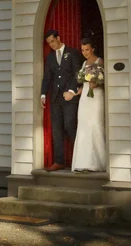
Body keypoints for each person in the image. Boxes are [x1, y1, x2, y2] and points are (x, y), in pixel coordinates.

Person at [40, 29, 83, 171]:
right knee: (57, 130)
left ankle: (80, 159)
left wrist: (71, 91)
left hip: (70, 97)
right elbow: (47, 77)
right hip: (55, 98)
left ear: (58, 38)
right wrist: (43, 94)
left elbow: (78, 74)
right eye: (49, 43)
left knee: (70, 125)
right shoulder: (50, 57)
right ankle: (59, 161)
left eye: (52, 41)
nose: (51, 45)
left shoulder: (72, 53)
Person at [71, 38, 107, 173]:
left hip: (96, 96)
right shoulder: (84, 63)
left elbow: (102, 80)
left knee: (95, 125)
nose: (85, 52)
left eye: (87, 49)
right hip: (85, 96)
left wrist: (96, 83)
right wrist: (76, 92)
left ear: (92, 49)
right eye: (82, 50)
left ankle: (98, 162)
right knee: (84, 126)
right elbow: (82, 82)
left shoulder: (99, 61)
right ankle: (84, 162)